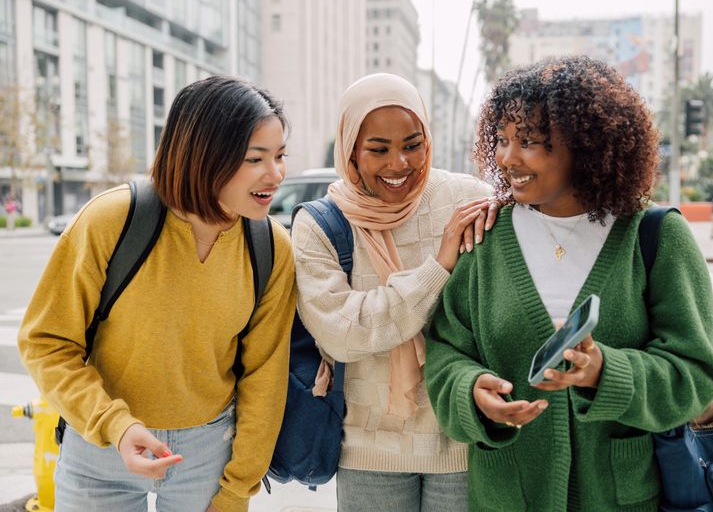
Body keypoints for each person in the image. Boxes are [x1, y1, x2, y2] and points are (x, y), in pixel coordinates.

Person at [424, 56, 713, 511]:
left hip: (620, 497)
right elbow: (446, 352)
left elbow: (696, 374)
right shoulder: (484, 236)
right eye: (502, 140)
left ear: (586, 145)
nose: (507, 158)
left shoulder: (656, 236)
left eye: (529, 141)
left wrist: (607, 372)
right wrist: (471, 392)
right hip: (507, 496)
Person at [18, 76, 297, 512]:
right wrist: (115, 425)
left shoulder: (272, 248)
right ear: (203, 155)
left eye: (280, 156)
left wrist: (237, 488)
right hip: (100, 450)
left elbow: (265, 377)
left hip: (208, 457)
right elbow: (45, 342)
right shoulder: (111, 221)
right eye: (254, 158)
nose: (276, 174)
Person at [290, 73, 497, 511]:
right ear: (350, 149)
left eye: (413, 144)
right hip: (370, 450)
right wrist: (438, 267)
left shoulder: (469, 199)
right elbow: (343, 333)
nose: (399, 164)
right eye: (378, 150)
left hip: (460, 439)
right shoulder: (321, 225)